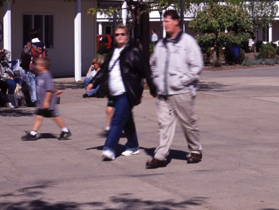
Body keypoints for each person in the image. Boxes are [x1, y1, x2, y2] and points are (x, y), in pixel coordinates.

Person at [87, 24, 154, 161]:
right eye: (117, 35)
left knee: (117, 119)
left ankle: (109, 148)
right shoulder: (112, 51)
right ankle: (133, 145)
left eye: (122, 34)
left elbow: (145, 69)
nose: (119, 37)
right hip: (114, 91)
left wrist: (152, 88)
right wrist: (93, 82)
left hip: (127, 91)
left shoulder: (134, 51)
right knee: (126, 119)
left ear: (127, 36)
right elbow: (105, 70)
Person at [147, 9, 201, 168]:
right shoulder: (161, 45)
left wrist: (181, 81)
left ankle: (196, 150)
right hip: (163, 93)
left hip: (181, 91)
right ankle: (160, 156)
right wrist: (156, 82)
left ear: (176, 22)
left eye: (167, 21)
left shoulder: (187, 42)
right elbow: (154, 64)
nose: (164, 24)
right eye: (163, 21)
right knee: (164, 125)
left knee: (188, 123)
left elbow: (196, 66)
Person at [21, 56, 71, 140]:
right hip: (42, 103)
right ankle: (33, 133)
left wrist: (46, 102)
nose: (36, 66)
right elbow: (50, 86)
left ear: (43, 66)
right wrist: (56, 91)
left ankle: (65, 131)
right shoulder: (42, 75)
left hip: (48, 103)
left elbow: (48, 90)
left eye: (37, 65)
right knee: (38, 116)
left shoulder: (46, 75)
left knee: (55, 117)